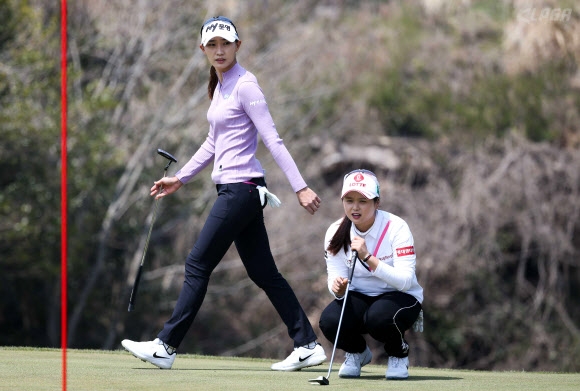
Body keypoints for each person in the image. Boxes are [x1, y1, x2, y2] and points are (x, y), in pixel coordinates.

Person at [122, 16, 326, 371]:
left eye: (225, 44)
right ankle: (307, 344)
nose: (219, 50)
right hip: (237, 191)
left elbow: (273, 140)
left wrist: (301, 186)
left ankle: (166, 347)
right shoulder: (219, 87)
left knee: (197, 264)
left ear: (237, 46)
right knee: (264, 273)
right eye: (212, 45)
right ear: (203, 49)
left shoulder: (246, 85)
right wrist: (181, 178)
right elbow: (213, 142)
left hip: (241, 191)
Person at [318, 169, 423, 380]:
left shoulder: (397, 228)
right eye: (349, 200)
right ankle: (357, 353)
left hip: (400, 296)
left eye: (363, 201)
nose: (355, 207)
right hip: (360, 296)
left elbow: (405, 281)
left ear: (377, 203)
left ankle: (398, 354)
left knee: (379, 318)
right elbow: (334, 280)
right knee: (329, 321)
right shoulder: (335, 231)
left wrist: (369, 258)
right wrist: (337, 288)